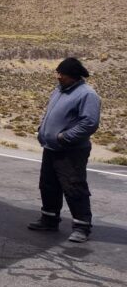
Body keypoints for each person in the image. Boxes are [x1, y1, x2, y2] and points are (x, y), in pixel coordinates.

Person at [28, 57, 101, 242]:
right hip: (51, 148)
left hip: (71, 150)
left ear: (74, 76)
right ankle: (49, 220)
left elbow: (90, 123)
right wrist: (42, 129)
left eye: (63, 74)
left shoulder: (87, 94)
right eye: (58, 73)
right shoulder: (59, 90)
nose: (58, 77)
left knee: (74, 187)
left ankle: (82, 227)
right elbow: (50, 113)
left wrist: (65, 137)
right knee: (48, 184)